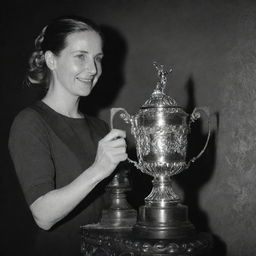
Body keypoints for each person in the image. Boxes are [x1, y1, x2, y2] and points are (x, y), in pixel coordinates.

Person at [8, 16, 127, 256]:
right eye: (80, 56)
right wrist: (98, 169)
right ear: (51, 60)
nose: (93, 69)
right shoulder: (31, 122)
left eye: (98, 58)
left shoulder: (100, 128)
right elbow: (43, 215)